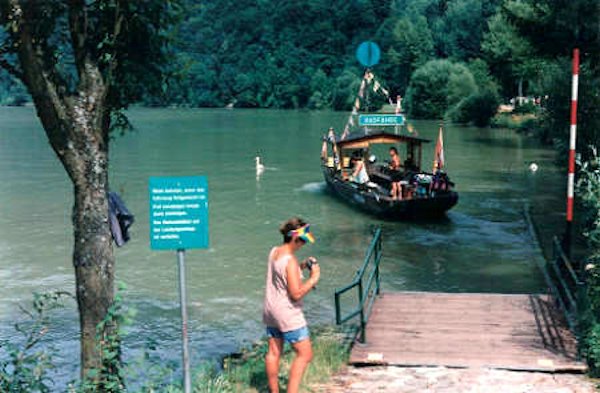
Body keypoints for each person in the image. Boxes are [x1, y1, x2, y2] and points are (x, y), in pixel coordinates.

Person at [263, 217, 320, 393]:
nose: (303, 244)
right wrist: (313, 278)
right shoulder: (290, 260)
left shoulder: (275, 252)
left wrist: (302, 266)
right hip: (287, 313)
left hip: (270, 310)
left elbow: (282, 274)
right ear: (295, 238)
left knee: (273, 352)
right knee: (305, 354)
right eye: (303, 239)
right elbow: (295, 294)